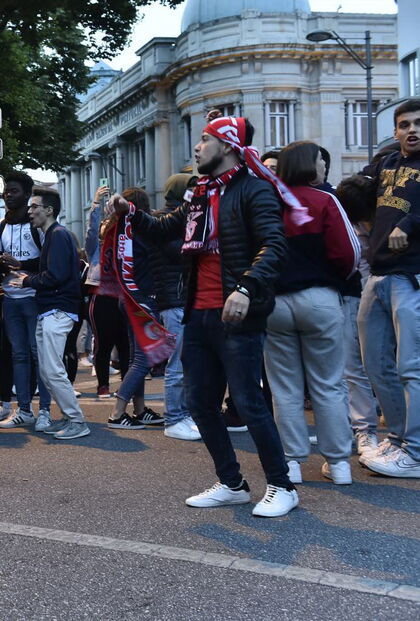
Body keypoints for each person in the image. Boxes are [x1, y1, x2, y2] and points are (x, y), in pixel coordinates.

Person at [114, 113, 300, 517]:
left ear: (228, 146)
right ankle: (232, 483)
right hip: (199, 313)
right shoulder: (200, 194)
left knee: (250, 403)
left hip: (238, 315)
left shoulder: (255, 191)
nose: (196, 148)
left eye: (204, 139)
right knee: (200, 403)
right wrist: (130, 212)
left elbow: (274, 245)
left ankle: (282, 486)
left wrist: (246, 289)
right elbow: (165, 229)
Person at [266, 141, 360, 485]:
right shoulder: (324, 200)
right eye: (321, 161)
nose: (324, 166)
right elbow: (348, 254)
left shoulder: (269, 202)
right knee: (329, 384)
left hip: (275, 303)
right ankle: (339, 465)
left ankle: (291, 462)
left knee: (285, 387)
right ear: (311, 165)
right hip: (320, 298)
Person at [358, 99, 420, 478]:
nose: (412, 130)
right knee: (376, 366)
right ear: (395, 130)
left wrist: (409, 224)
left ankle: (415, 450)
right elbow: (355, 192)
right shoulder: (386, 162)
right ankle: (397, 438)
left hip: (413, 276)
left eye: (417, 123)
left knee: (411, 367)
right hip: (378, 275)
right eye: (404, 124)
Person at [9, 190, 89, 439]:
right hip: (49, 309)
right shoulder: (52, 236)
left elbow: (56, 275)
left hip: (58, 309)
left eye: (34, 207)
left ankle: (77, 421)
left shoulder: (59, 235)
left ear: (49, 210)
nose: (30, 211)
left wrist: (26, 280)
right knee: (46, 370)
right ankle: (67, 417)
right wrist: (24, 269)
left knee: (53, 370)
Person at [0, 172, 52, 431]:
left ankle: (46, 411)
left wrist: (21, 264)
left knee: (40, 356)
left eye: (14, 191)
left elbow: (48, 261)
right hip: (10, 300)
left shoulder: (36, 224)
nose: (8, 195)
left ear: (27, 195)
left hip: (34, 298)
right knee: (18, 355)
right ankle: (24, 409)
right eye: (6, 190)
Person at [105, 188, 169, 430]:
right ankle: (117, 413)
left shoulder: (121, 231)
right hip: (144, 298)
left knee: (135, 359)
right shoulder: (145, 231)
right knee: (143, 360)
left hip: (128, 298)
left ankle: (139, 410)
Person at [151, 174, 200, 441]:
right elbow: (181, 251)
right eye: (190, 189)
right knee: (177, 365)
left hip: (185, 299)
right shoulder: (165, 221)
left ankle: (184, 414)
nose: (195, 193)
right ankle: (173, 418)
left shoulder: (186, 218)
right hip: (173, 299)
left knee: (189, 363)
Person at [335, 174, 381, 455]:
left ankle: (371, 431)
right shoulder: (347, 226)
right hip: (355, 296)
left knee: (378, 367)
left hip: (374, 293)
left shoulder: (385, 221)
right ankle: (364, 430)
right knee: (354, 368)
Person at [83, 185, 131, 400]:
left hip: (124, 296)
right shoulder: (95, 248)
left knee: (125, 344)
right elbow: (91, 232)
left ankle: (127, 386)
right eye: (103, 227)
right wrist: (96, 205)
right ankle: (103, 386)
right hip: (101, 297)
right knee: (103, 343)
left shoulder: (125, 239)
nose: (105, 229)